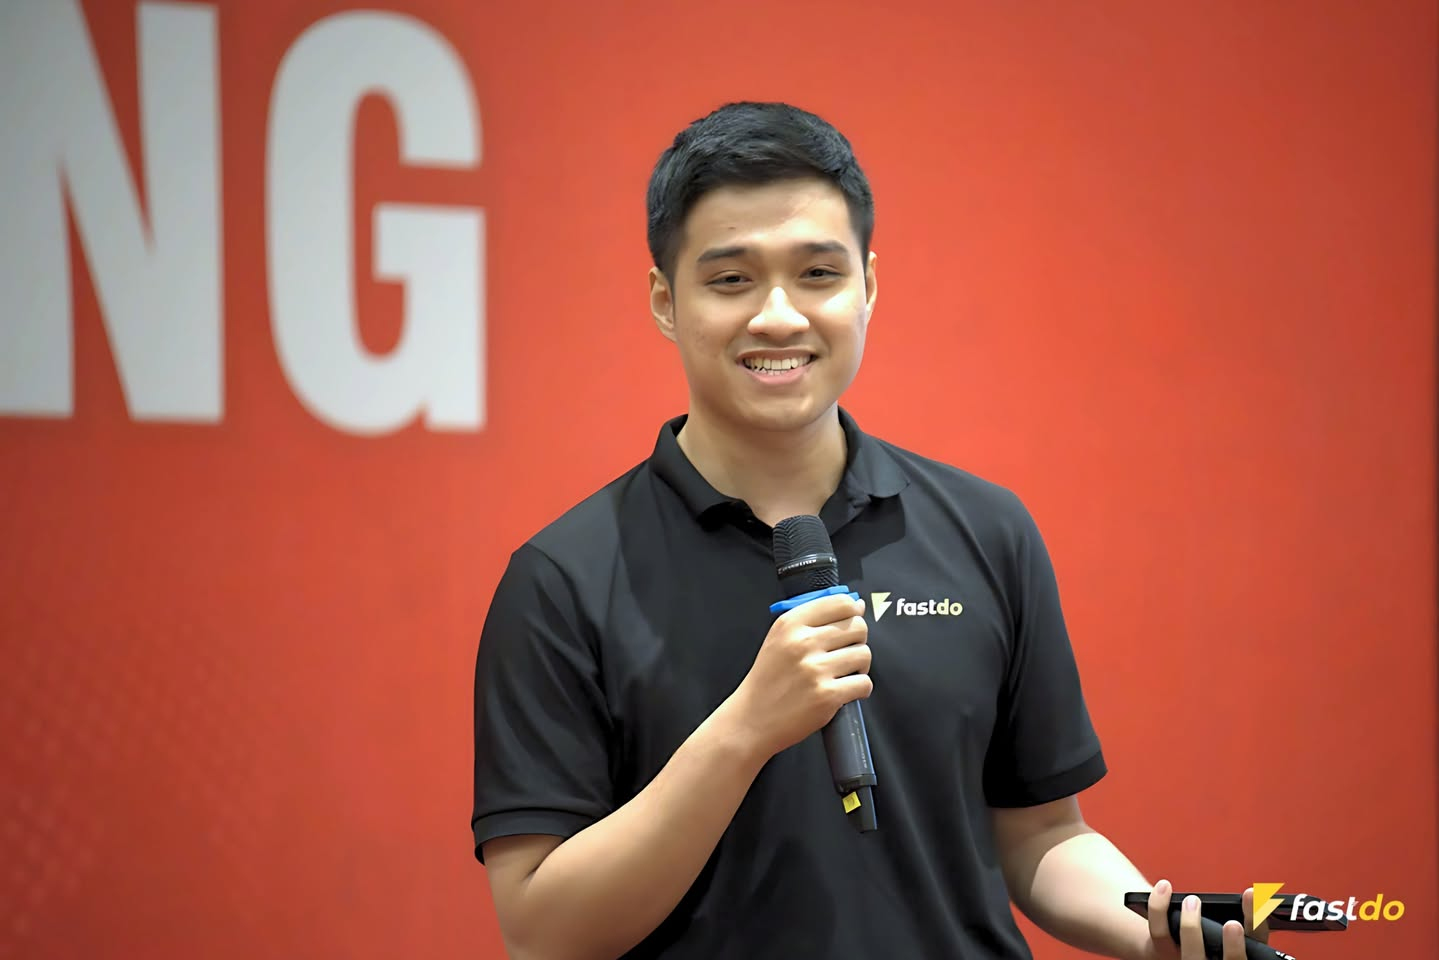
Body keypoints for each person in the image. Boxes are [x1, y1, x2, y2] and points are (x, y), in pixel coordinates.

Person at [471, 101, 1278, 960]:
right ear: (665, 302)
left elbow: (1042, 835)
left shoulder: (985, 530)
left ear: (868, 286)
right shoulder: (564, 579)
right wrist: (744, 731)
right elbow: (543, 932)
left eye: (817, 274)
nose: (778, 316)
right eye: (731, 280)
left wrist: (1154, 934)